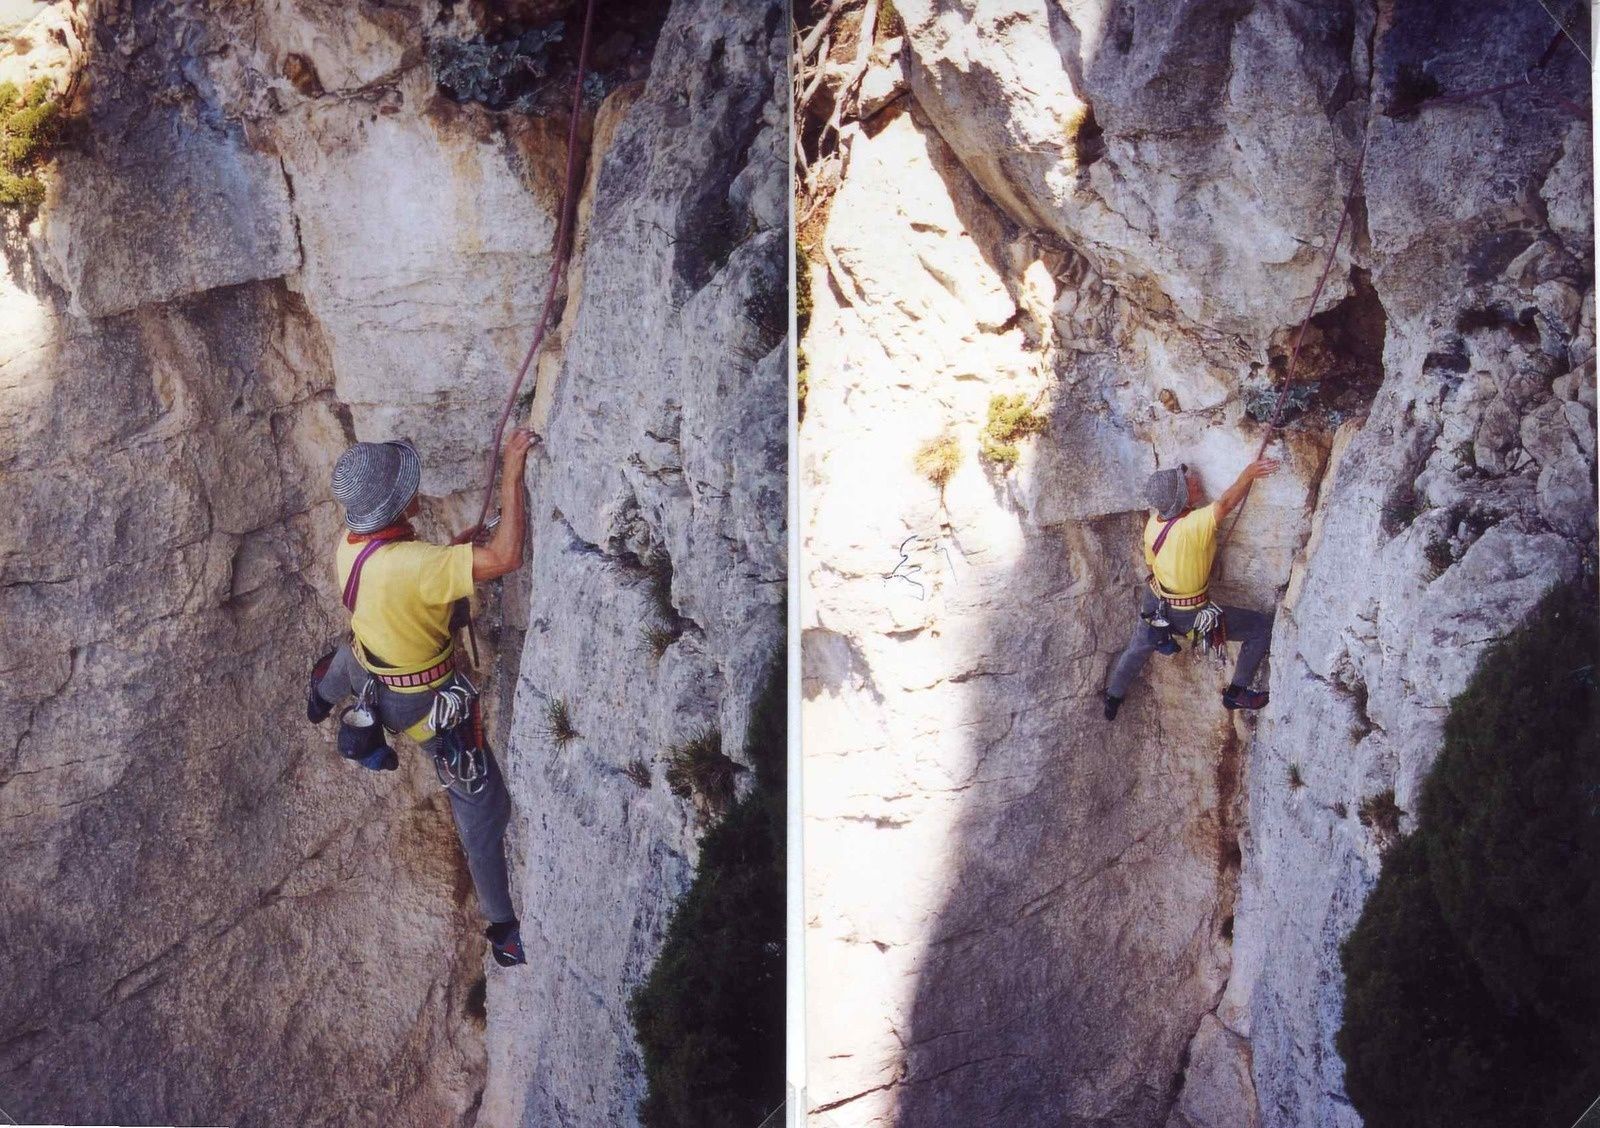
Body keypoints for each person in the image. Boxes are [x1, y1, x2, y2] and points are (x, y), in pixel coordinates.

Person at [305, 430, 535, 967]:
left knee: (354, 652)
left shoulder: (352, 545)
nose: (416, 490)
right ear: (395, 504)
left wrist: (455, 554)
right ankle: (501, 927)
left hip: (372, 666)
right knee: (481, 803)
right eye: (408, 487)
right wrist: (512, 472)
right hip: (426, 701)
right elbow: (506, 557)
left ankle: (321, 696)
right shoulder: (414, 565)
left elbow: (406, 585)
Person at [1103, 457, 1280, 721]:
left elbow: (1151, 563)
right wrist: (1248, 474)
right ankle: (1236, 692)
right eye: (1187, 482)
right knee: (1261, 628)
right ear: (1182, 498)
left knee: (1139, 646)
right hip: (1190, 613)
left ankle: (1113, 696)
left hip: (1155, 601)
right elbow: (1226, 504)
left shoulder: (1155, 523)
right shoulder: (1192, 527)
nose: (1194, 479)